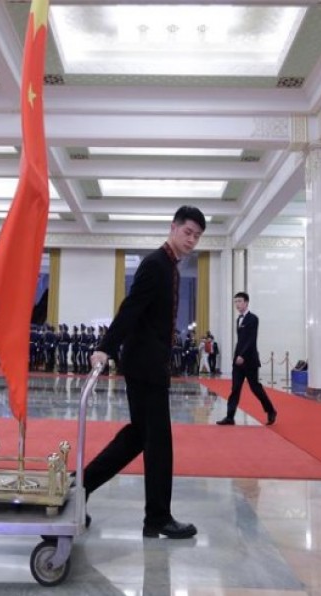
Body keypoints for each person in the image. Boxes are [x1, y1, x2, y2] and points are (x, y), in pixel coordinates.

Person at [84, 205, 206, 540]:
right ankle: (158, 518)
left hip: (151, 364)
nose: (192, 240)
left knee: (138, 436)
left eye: (197, 235)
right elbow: (131, 309)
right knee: (159, 443)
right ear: (173, 228)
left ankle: (79, 487)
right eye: (188, 232)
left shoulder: (170, 267)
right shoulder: (156, 264)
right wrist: (105, 347)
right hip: (145, 366)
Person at [217, 292, 278, 426]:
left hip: (249, 360)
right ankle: (230, 417)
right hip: (237, 361)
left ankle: (271, 410)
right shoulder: (238, 319)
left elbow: (251, 340)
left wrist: (242, 355)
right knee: (235, 389)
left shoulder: (253, 319)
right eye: (235, 302)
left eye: (239, 301)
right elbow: (240, 341)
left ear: (246, 302)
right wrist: (236, 357)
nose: (237, 304)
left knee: (255, 388)